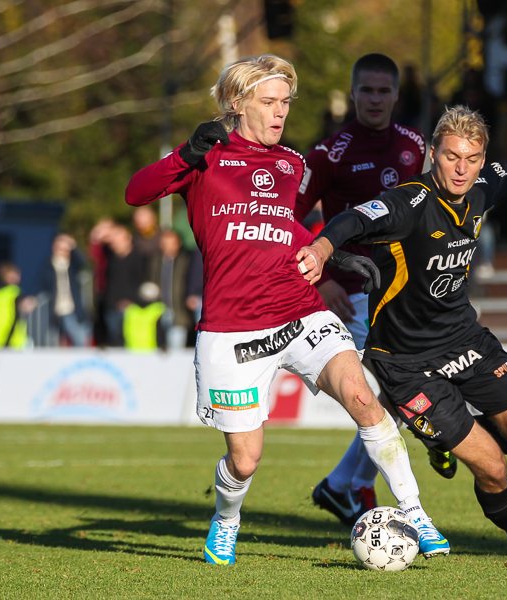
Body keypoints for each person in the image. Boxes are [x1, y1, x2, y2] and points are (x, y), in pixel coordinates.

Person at [125, 54, 449, 566]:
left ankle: (416, 513)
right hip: (233, 327)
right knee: (245, 460)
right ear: (237, 103)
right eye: (269, 102)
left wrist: (332, 252)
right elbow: (135, 192)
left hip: (300, 311)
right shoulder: (205, 155)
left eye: (285, 103)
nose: (280, 113)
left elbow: (282, 225)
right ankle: (226, 519)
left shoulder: (291, 163)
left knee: (365, 399)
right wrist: (185, 154)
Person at [297, 105, 507, 559]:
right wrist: (321, 249)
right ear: (433, 154)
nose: (461, 169)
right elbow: (352, 221)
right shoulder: (408, 202)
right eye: (451, 156)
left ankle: (444, 436)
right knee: (493, 467)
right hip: (406, 364)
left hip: (465, 340)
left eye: (471, 158)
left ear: (481, 159)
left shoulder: (482, 183)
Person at [295, 53, 441, 525]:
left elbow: (430, 212)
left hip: (407, 290)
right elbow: (287, 219)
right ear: (353, 93)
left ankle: (343, 485)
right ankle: (349, 485)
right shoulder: (328, 153)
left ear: (397, 95)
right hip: (357, 293)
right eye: (367, 90)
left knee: (394, 394)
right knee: (392, 392)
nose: (375, 99)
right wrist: (327, 281)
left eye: (384, 91)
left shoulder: (415, 145)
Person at [37, 234, 91, 347]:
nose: (62, 251)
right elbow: (40, 285)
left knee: (81, 339)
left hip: (72, 308)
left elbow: (83, 263)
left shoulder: (72, 266)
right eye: (59, 248)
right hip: (56, 310)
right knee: (58, 342)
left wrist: (73, 246)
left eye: (65, 249)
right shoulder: (48, 265)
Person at [147, 229, 195, 348]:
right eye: (165, 243)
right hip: (158, 312)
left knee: (176, 348)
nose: (168, 247)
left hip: (178, 313)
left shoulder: (186, 261)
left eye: (172, 243)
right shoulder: (155, 261)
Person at [101, 225, 146, 346]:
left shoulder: (138, 258)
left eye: (118, 238)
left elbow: (141, 283)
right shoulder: (111, 258)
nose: (114, 242)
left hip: (131, 309)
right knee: (115, 344)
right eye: (112, 240)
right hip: (112, 308)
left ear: (128, 238)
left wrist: (131, 300)